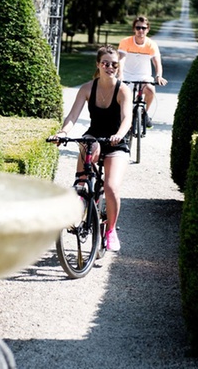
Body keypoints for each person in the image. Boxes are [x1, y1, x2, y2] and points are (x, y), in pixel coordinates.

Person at [53, 45, 132, 252]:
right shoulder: (87, 88)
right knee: (82, 177)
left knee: (111, 187)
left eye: (114, 64)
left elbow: (127, 119)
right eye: (105, 63)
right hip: (94, 136)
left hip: (116, 142)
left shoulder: (122, 90)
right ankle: (83, 201)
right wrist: (62, 133)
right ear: (98, 64)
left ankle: (111, 230)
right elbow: (72, 117)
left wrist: (119, 135)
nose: (110, 67)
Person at [117, 15, 168, 127]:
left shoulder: (151, 44)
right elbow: (121, 59)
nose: (141, 30)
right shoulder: (126, 41)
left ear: (148, 29)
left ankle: (144, 113)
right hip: (127, 75)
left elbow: (157, 62)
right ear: (134, 29)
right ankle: (123, 121)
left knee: (150, 90)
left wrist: (159, 76)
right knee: (123, 98)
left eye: (143, 28)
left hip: (143, 76)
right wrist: (120, 74)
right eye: (138, 28)